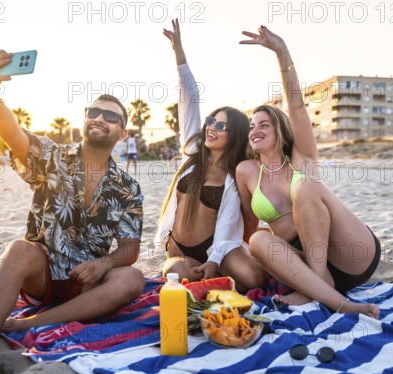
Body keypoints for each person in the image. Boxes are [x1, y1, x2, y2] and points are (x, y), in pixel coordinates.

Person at [0, 50, 145, 374]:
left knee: (132, 278)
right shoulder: (51, 155)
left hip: (88, 285)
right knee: (20, 249)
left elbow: (130, 248)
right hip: (43, 276)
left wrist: (105, 264)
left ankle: (25, 325)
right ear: (84, 118)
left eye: (110, 115)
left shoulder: (128, 186)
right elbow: (11, 132)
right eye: (94, 111)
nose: (99, 118)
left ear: (122, 133)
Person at [236, 25, 380, 318]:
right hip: (300, 260)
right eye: (252, 126)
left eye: (264, 124)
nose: (255, 129)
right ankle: (322, 289)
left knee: (305, 186)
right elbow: (248, 226)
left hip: (349, 252)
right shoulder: (247, 172)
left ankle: (321, 294)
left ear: (280, 131)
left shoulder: (300, 158)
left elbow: (297, 105)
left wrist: (281, 53)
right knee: (257, 240)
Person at [155, 19, 267, 293]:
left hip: (217, 246)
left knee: (254, 278)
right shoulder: (191, 153)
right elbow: (189, 97)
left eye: (221, 125)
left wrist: (215, 259)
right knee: (175, 275)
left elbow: (229, 223)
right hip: (180, 249)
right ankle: (207, 278)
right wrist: (178, 50)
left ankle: (217, 272)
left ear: (235, 136)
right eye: (210, 121)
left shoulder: (235, 176)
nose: (211, 128)